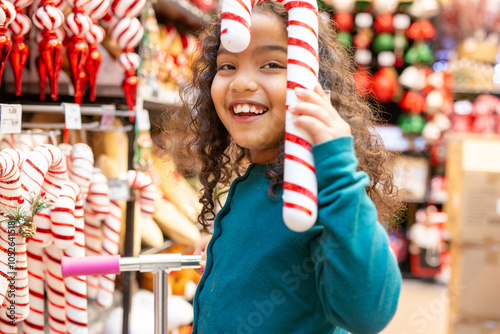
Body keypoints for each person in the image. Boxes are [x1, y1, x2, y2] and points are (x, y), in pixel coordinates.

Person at [174, 1, 403, 333]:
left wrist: (338, 171)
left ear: (313, 83)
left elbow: (367, 312)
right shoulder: (254, 180)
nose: (241, 83)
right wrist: (228, 266)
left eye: (270, 63)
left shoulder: (316, 190)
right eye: (226, 66)